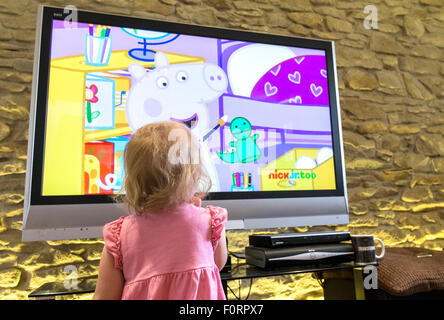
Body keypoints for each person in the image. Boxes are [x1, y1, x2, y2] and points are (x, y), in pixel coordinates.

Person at [93, 121, 228, 300]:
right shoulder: (211, 220)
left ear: (134, 180)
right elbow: (217, 264)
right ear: (194, 174)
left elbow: (105, 296)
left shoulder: (119, 235)